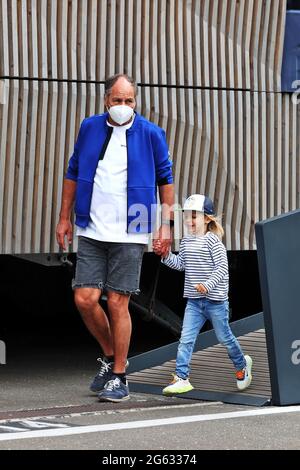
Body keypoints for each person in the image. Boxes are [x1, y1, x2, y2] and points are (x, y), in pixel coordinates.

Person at [56, 73, 174, 402]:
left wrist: (165, 226)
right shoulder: (90, 127)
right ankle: (110, 356)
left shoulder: (151, 133)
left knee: (118, 301)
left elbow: (166, 178)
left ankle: (120, 376)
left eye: (129, 101)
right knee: (85, 298)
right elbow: (74, 171)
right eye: (118, 100)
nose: (124, 106)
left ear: (135, 102)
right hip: (92, 227)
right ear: (106, 100)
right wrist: (64, 217)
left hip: (131, 230)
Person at [153, 194, 252, 395]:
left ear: (207, 219)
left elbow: (222, 268)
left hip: (216, 302)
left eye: (194, 216)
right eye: (187, 216)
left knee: (224, 337)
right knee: (186, 339)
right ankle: (181, 377)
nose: (189, 221)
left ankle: (242, 365)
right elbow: (182, 265)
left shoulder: (213, 242)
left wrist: (207, 285)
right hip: (194, 302)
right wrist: (166, 256)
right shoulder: (187, 242)